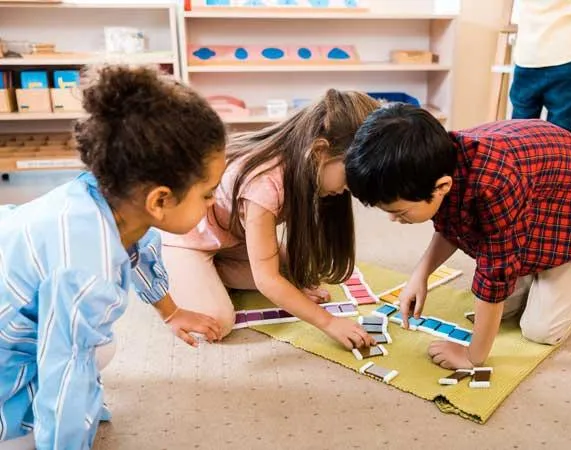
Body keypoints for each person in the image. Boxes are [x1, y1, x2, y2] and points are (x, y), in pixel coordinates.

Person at [0, 65, 226, 449]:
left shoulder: (108, 197)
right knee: (65, 388)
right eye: (208, 193)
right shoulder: (87, 271)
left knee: (100, 343)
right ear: (159, 200)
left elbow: (140, 254)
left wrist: (171, 311)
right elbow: (66, 373)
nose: (213, 202)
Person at [344, 103, 571, 369]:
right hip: (540, 204)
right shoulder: (439, 162)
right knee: (500, 310)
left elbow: (495, 274)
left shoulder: (496, 186)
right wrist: (420, 275)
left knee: (540, 330)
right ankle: (542, 274)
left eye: (400, 212)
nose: (393, 220)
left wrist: (473, 354)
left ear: (442, 186)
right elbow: (450, 225)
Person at [161, 89, 380, 349]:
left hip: (230, 237)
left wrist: (288, 285)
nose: (348, 189)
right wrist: (329, 322)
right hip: (186, 239)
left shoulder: (306, 165)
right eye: (348, 178)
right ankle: (166, 266)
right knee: (218, 320)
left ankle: (211, 270)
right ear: (320, 150)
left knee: (297, 274)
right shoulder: (264, 183)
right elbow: (267, 280)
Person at [510, 0, 571, 133]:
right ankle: (557, 153)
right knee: (561, 130)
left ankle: (522, 152)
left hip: (528, 58)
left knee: (520, 131)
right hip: (567, 57)